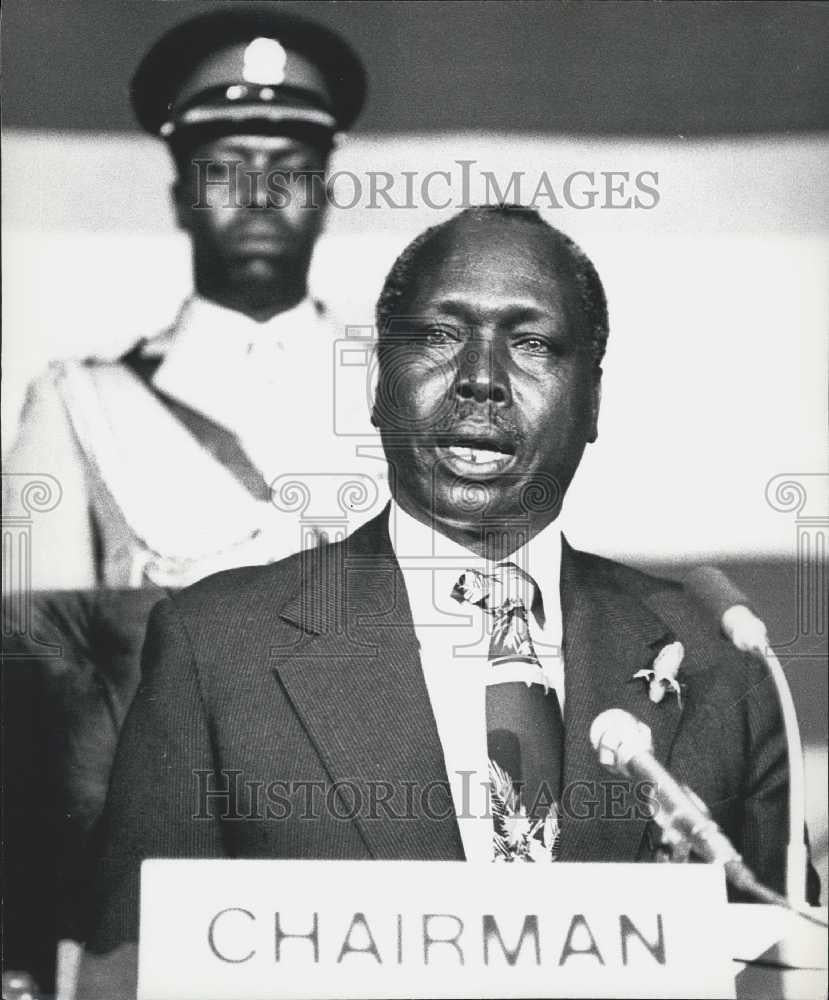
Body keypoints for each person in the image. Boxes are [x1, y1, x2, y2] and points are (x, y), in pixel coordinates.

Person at [82, 205, 818, 985]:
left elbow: (786, 972)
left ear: (592, 400)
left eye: (531, 343)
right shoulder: (215, 649)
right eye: (438, 336)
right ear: (376, 383)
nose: (480, 380)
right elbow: (131, 976)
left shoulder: (719, 666)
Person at [2, 8, 379, 991]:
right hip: (165, 903)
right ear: (179, 190)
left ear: (325, 188)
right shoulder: (79, 407)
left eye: (287, 162)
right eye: (224, 163)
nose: (258, 192)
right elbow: (40, 703)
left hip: (387, 894)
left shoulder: (408, 392)